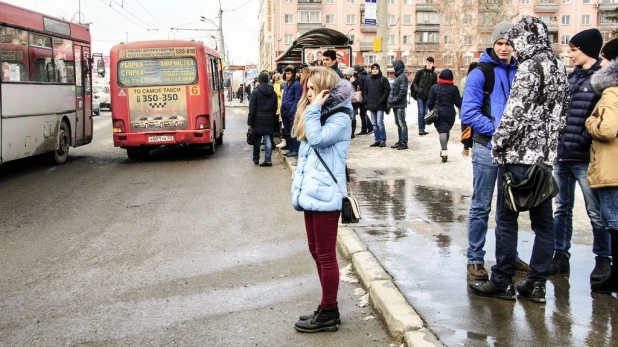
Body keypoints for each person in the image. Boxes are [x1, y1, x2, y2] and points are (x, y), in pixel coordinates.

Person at [469, 17, 570, 303]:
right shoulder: (558, 66)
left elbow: (514, 115)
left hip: (517, 159)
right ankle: (536, 284)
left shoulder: (528, 68)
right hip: (545, 160)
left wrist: (498, 145)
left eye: (514, 41)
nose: (512, 47)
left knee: (506, 218)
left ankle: (502, 281)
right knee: (544, 222)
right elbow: (562, 115)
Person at [290, 67, 353, 332]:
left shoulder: (341, 117)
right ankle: (329, 307)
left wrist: (314, 107)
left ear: (325, 91)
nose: (308, 94)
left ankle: (328, 312)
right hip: (311, 193)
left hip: (327, 195)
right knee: (316, 251)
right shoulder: (319, 113)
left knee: (326, 255)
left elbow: (316, 140)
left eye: (313, 89)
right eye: (308, 89)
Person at [460, 22, 523, 282]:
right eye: (500, 43)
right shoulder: (480, 73)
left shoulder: (521, 71)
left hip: (512, 151)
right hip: (486, 146)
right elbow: (469, 113)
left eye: (508, 43)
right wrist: (499, 130)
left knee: (509, 208)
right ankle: (475, 259)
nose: (504, 47)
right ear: (493, 44)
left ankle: (508, 256)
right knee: (481, 206)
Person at [550, 29, 610, 282]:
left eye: (574, 49)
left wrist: (584, 141)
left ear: (587, 50)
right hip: (562, 155)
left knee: (595, 211)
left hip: (586, 158)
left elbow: (601, 118)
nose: (569, 53)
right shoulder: (572, 78)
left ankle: (603, 258)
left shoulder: (602, 79)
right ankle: (560, 253)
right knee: (561, 208)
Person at [587, 38, 618, 294]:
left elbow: (607, 130)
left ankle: (615, 275)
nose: (601, 63)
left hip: (611, 169)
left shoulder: (611, 91)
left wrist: (590, 123)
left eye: (605, 58)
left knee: (615, 223)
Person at [427, 69, 462, 162]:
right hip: (450, 113)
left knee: (442, 131)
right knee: (446, 130)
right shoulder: (454, 88)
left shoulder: (434, 87)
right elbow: (458, 102)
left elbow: (430, 102)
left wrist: (431, 110)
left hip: (438, 113)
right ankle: (444, 148)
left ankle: (444, 149)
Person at [248, 72, 278, 166]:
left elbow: (252, 108)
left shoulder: (255, 92)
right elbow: (275, 107)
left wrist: (250, 121)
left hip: (258, 120)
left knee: (257, 140)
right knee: (268, 139)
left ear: (259, 80)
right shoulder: (273, 93)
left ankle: (256, 159)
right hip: (269, 119)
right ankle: (268, 160)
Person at [363, 63, 390, 148]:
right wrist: (366, 99)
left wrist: (382, 99)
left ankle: (383, 140)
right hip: (371, 104)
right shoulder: (368, 80)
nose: (374, 70)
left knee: (379, 122)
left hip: (380, 105)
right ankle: (377, 140)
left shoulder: (383, 79)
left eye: (376, 69)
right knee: (374, 123)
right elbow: (365, 91)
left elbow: (387, 90)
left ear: (379, 70)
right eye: (373, 69)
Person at [411, 57, 437, 136]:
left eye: (430, 63)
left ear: (433, 64)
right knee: (421, 112)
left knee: (425, 113)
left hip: (428, 96)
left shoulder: (434, 75)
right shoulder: (420, 72)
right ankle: (421, 129)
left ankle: (423, 129)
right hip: (420, 95)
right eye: (428, 62)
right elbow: (414, 82)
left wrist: (433, 95)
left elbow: (435, 86)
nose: (429, 64)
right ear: (426, 63)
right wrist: (417, 90)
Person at [280, 65, 303, 156]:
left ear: (293, 74)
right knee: (287, 131)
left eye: (289, 74)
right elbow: (284, 98)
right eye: (286, 73)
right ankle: (291, 148)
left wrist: (292, 111)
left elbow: (297, 99)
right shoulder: (286, 84)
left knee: (293, 131)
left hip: (292, 112)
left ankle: (295, 149)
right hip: (284, 111)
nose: (287, 75)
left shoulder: (297, 85)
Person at [387, 60, 409, 150]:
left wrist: (394, 100)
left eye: (394, 66)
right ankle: (400, 141)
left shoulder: (402, 77)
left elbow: (403, 91)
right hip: (396, 105)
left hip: (399, 105)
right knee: (398, 124)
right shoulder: (399, 77)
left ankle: (404, 142)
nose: (393, 68)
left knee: (402, 123)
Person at [458, 62, 478, 157]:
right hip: (477, 107)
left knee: (465, 128)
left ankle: (466, 149)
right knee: (476, 127)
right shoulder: (480, 79)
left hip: (465, 107)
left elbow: (461, 94)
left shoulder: (464, 80)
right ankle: (475, 148)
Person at [353, 65, 373, 135]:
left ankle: (365, 129)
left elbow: (359, 87)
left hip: (362, 97)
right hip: (367, 96)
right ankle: (369, 127)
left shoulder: (359, 76)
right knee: (363, 113)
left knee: (362, 114)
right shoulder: (367, 75)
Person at [344, 67, 361, 138]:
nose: (348, 76)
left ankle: (352, 132)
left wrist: (352, 82)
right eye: (347, 75)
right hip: (346, 101)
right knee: (347, 118)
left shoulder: (356, 81)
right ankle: (348, 132)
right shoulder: (344, 80)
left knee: (353, 117)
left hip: (353, 102)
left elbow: (356, 89)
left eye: (349, 75)